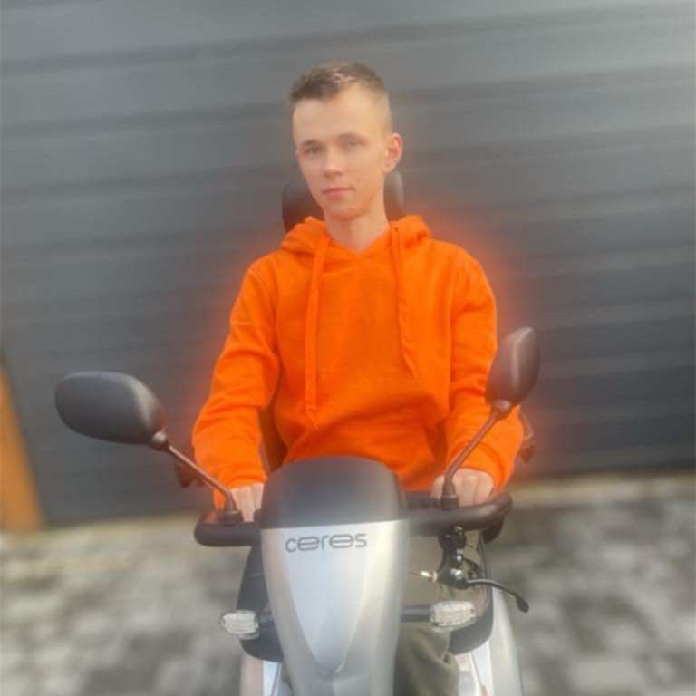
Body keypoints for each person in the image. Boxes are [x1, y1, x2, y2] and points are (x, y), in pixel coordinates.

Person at [192, 61, 523, 696]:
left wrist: (476, 462)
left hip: (419, 507)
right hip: (307, 516)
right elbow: (230, 401)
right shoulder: (270, 282)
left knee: (411, 640)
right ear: (299, 158)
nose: (331, 166)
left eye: (351, 143)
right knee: (290, 647)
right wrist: (234, 473)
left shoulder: (452, 273)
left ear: (390, 152)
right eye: (313, 149)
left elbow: (479, 395)